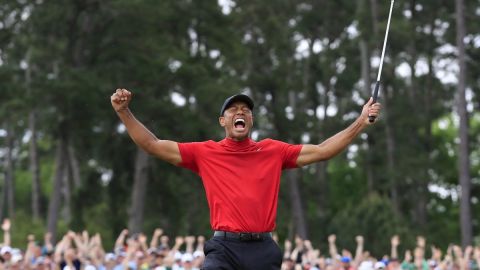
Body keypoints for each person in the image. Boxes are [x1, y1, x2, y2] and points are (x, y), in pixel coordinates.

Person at [110, 89, 381, 270]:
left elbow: (322, 151)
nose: (240, 112)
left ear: (250, 120)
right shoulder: (205, 152)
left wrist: (359, 122)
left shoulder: (273, 150)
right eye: (233, 110)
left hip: (263, 249)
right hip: (224, 248)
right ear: (222, 121)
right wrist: (124, 112)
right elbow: (154, 145)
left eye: (245, 110)